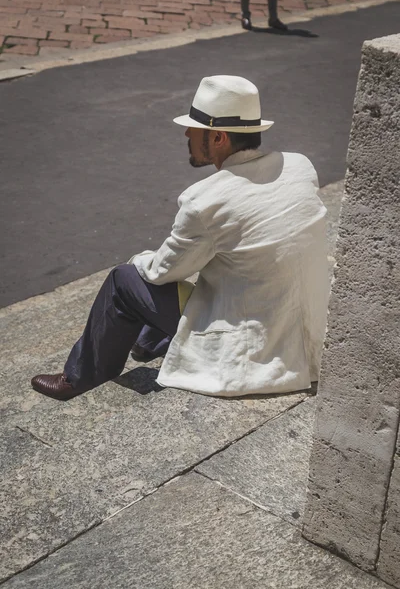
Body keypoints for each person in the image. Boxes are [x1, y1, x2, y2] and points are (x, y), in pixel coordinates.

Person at [31, 75, 330, 401]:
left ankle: (77, 379)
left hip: (257, 350)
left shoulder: (205, 200)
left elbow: (163, 272)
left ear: (217, 137)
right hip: (305, 333)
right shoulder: (300, 166)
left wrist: (138, 259)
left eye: (194, 129)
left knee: (124, 280)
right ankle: (146, 345)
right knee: (207, 274)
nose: (186, 134)